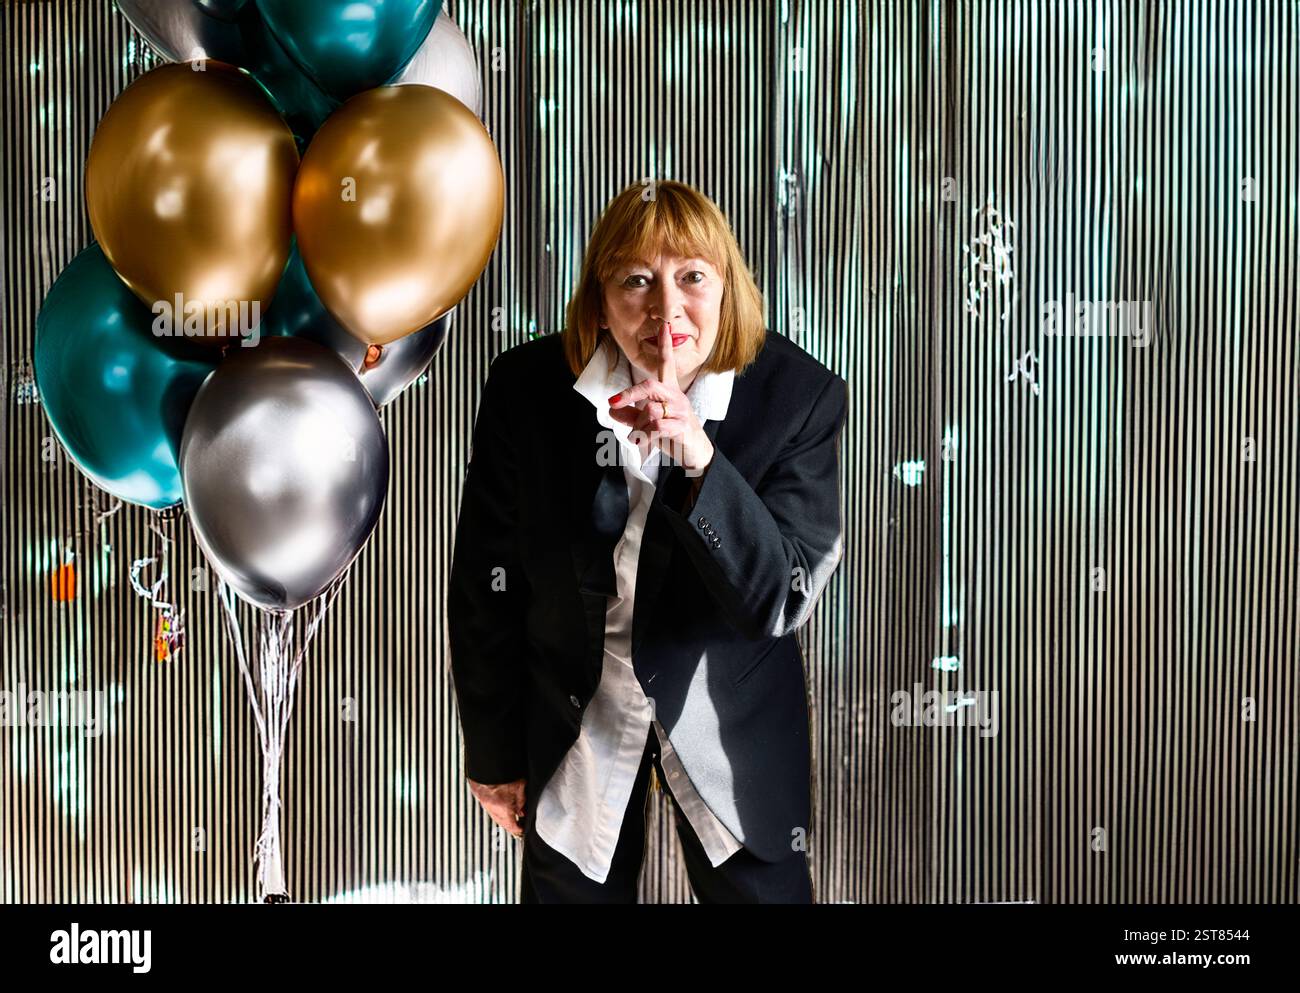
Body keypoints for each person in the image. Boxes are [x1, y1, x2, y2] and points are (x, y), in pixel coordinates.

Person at [448, 179, 848, 903]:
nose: (667, 311)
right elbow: (486, 581)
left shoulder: (798, 398)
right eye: (637, 280)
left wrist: (699, 456)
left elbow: (779, 598)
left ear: (726, 288)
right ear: (600, 298)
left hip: (732, 725)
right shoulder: (524, 391)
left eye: (693, 277)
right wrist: (495, 750)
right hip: (577, 711)